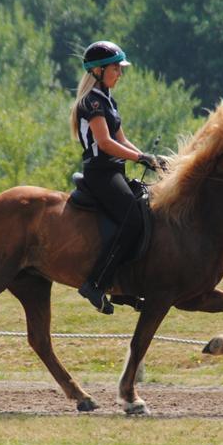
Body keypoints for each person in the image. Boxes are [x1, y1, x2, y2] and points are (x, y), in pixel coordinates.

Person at [70, 41, 162, 314]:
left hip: (114, 171)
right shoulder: (92, 102)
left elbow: (122, 139)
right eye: (115, 68)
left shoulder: (109, 100)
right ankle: (95, 283)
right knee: (132, 219)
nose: (120, 74)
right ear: (98, 71)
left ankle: (122, 285)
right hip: (100, 174)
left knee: (144, 212)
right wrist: (139, 159)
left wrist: (150, 158)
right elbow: (106, 143)